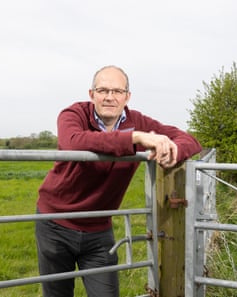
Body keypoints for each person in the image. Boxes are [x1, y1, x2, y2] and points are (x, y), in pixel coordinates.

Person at [35, 65, 202, 297]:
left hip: (98, 228)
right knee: (56, 294)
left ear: (127, 97)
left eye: (117, 91)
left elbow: (189, 140)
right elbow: (73, 141)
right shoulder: (74, 114)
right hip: (55, 223)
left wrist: (170, 150)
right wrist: (135, 138)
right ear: (91, 94)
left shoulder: (138, 121)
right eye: (102, 90)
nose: (109, 97)